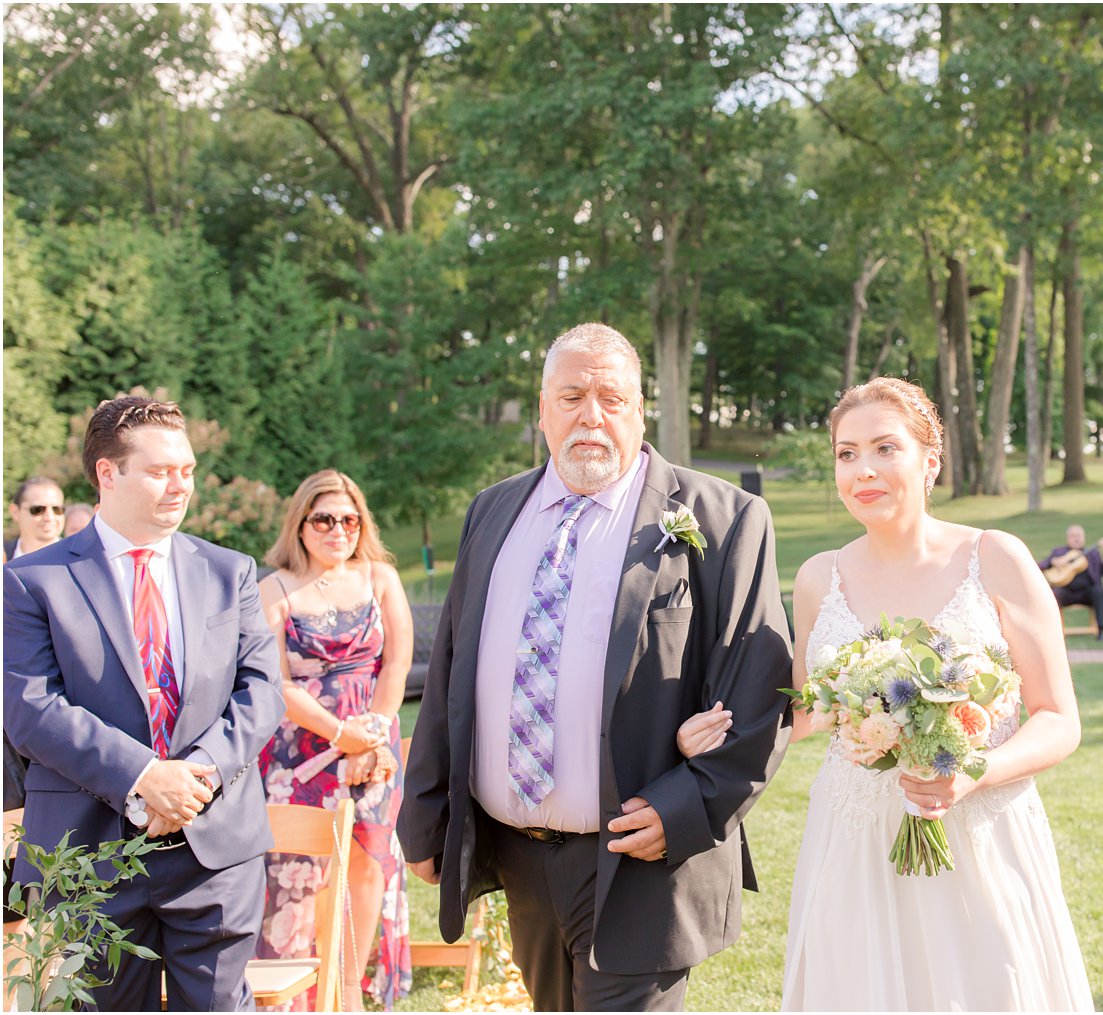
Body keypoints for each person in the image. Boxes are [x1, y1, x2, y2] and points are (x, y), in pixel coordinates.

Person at [399, 323, 792, 1012]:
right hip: (520, 857)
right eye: (572, 395)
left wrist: (684, 809)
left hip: (642, 862)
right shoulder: (492, 512)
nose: (592, 414)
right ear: (543, 407)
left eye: (611, 397)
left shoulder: (725, 520)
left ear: (641, 409)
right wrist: (428, 814)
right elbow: (452, 677)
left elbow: (759, 695)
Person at [679, 377, 1093, 1011]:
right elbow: (807, 709)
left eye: (884, 448)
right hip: (855, 836)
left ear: (930, 461)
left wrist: (974, 772)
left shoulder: (998, 559)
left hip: (979, 831)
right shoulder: (822, 576)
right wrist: (711, 732)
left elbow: (1059, 719)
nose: (862, 470)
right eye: (847, 454)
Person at [2, 395, 284, 1010]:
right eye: (160, 471)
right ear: (108, 472)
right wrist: (144, 777)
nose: (180, 485)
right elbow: (30, 709)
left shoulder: (228, 570)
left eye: (186, 469)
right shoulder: (31, 580)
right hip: (89, 851)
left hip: (213, 852)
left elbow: (261, 691)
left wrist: (193, 779)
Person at [256, 469, 413, 1010]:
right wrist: (337, 733)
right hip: (297, 752)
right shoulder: (272, 589)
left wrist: (369, 733)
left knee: (367, 864)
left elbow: (397, 661)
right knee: (297, 871)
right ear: (300, 524)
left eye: (349, 519)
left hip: (372, 748)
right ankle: (291, 995)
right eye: (323, 518)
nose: (337, 529)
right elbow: (273, 681)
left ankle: (346, 995)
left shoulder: (380, 579)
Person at [1038, 524, 1103, 641]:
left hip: (1087, 593)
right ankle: (1054, 633)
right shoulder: (1059, 552)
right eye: (1073, 536)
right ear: (1067, 538)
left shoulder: (1092, 553)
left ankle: (1100, 632)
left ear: (1083, 538)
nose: (1076, 538)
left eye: (1079, 535)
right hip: (1066, 592)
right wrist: (1054, 561)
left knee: (1098, 591)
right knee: (1053, 595)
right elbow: (1041, 565)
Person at [5, 477, 65, 559]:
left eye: (57, 509)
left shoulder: (80, 560)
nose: (49, 517)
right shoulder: (4, 556)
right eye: (38, 509)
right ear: (15, 512)